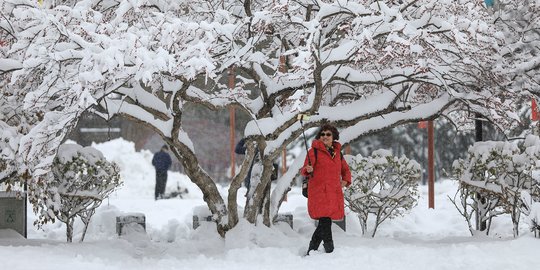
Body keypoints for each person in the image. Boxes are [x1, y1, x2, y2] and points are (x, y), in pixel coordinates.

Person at [301, 124, 351, 255]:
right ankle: (329, 249)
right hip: (319, 191)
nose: (325, 137)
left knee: (325, 220)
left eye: (328, 134)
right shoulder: (314, 151)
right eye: (322, 134)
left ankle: (312, 249)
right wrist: (308, 169)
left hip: (333, 191)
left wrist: (345, 180)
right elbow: (304, 168)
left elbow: (345, 169)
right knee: (325, 219)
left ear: (333, 136)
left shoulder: (337, 153)